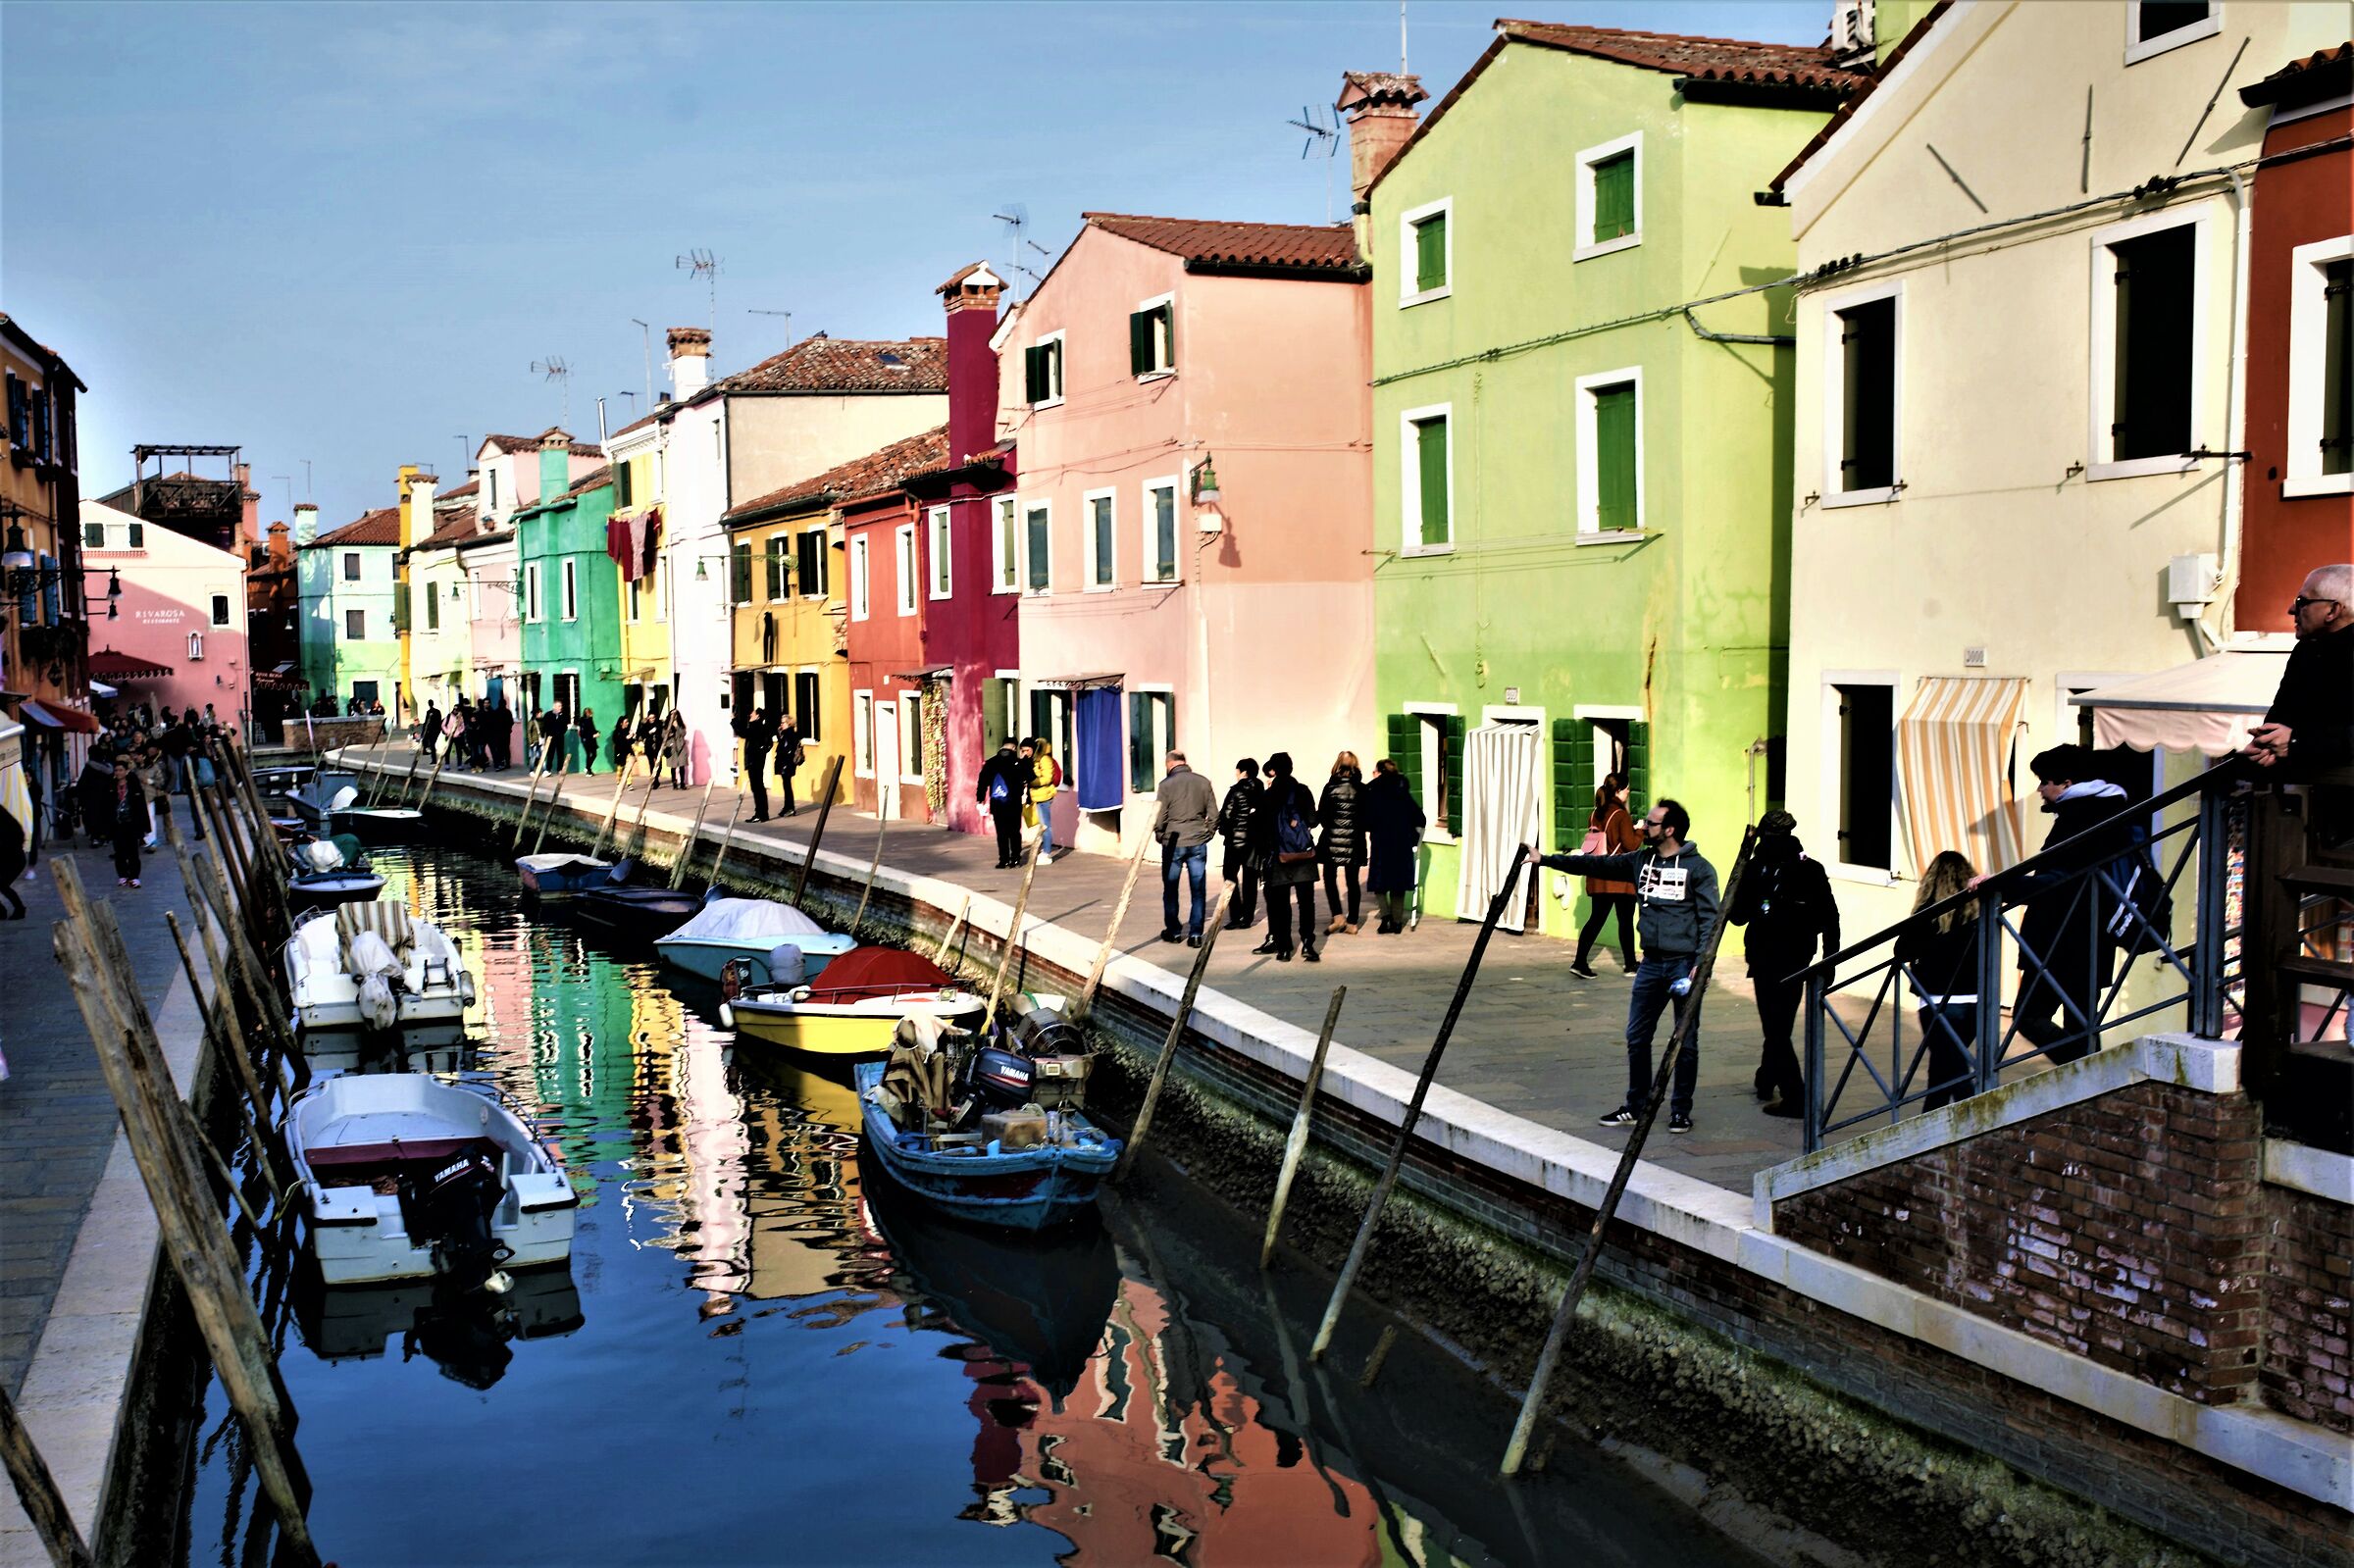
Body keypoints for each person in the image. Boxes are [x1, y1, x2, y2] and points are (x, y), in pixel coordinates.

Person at [1536, 797, 1721, 1135]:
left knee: (1685, 1041)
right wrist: (1545, 860)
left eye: (1650, 823)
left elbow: (1711, 920)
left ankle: (1680, 1110)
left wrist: (1701, 964)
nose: (1642, 826)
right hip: (1650, 963)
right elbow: (1596, 865)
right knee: (1637, 1037)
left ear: (1670, 829)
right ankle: (1636, 1106)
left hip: (1683, 965)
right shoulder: (1640, 860)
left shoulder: (1699, 869)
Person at [1985, 744, 2134, 1066]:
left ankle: (2085, 1070)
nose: (2039, 789)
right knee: (2081, 1024)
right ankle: (2086, 1076)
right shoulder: (2101, 812)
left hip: (2061, 941)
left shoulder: (2079, 819)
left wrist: (2001, 885)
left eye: (2044, 781)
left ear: (2066, 783)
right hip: (2088, 941)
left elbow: (2058, 882)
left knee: (2029, 1016)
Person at [1726, 810, 1841, 1119]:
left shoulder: (1809, 870)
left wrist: (1830, 960)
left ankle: (1796, 1097)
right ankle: (1766, 1077)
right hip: (1763, 958)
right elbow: (1737, 916)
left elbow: (1829, 917)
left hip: (1795, 959)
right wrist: (1746, 890)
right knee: (1777, 1026)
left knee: (1777, 1027)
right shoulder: (1754, 869)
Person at [1896, 851, 1983, 1112]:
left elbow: (1901, 950)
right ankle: (1927, 1125)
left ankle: (1978, 1117)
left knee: (1954, 1071)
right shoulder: (1978, 910)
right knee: (1941, 1071)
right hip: (1975, 1004)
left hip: (1937, 1003)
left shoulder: (1928, 912)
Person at [2246, 563, 2354, 770]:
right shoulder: (2305, 651)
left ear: (2332, 610)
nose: (2291, 609)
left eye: (2301, 601)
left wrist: (2296, 742)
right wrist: (2265, 743)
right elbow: (2281, 716)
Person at [1251, 753, 1322, 963]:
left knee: (1280, 905)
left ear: (1273, 770)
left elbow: (1259, 827)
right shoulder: (1303, 791)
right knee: (1306, 903)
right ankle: (1308, 944)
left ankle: (1284, 948)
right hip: (1303, 855)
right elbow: (1313, 820)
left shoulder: (1268, 796)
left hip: (1277, 856)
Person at [1570, 773, 1642, 979]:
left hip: (1599, 873)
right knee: (1625, 920)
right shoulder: (1620, 814)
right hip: (1619, 876)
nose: (1628, 792)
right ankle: (1630, 964)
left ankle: (1579, 961)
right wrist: (1640, 830)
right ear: (1619, 790)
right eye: (1627, 789)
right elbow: (1630, 845)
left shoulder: (1595, 813)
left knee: (1596, 919)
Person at [1151, 751, 1218, 946]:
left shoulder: (1166, 785)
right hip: (1197, 841)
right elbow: (1214, 814)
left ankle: (1174, 931)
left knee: (1171, 888)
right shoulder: (1203, 782)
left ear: (1169, 764)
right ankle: (1196, 934)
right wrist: (1208, 833)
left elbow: (1159, 817)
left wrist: (1160, 835)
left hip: (1173, 842)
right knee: (1198, 889)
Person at [1362, 757, 1425, 935]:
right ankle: (1397, 922)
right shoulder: (1402, 789)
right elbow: (1419, 818)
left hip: (1381, 843)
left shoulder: (1372, 790)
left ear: (1379, 772)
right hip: (1401, 843)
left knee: (1380, 884)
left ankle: (1386, 918)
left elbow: (1366, 820)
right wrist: (1414, 835)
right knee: (1398, 884)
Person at [1316, 751, 1367, 936]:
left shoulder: (1330, 787)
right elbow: (1367, 817)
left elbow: (1322, 815)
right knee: (1352, 881)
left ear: (1337, 765)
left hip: (1332, 840)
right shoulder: (1362, 789)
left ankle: (1337, 916)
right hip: (1354, 841)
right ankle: (1352, 922)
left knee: (1329, 877)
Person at [1215, 758, 1263, 930]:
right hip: (1255, 842)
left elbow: (1226, 815)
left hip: (1235, 842)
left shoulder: (1235, 791)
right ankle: (1247, 917)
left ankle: (1235, 915)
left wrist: (1223, 830)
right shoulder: (1261, 791)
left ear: (1243, 772)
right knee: (1250, 879)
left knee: (1230, 876)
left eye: (1237, 771)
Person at [977, 740, 1028, 867]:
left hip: (997, 803)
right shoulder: (1017, 763)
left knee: (1001, 833)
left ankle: (1003, 860)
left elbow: (982, 782)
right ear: (1014, 748)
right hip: (1014, 803)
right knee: (1014, 831)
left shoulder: (991, 763)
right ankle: (1015, 858)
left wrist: (980, 799)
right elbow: (1027, 778)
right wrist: (1025, 761)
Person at [108, 755, 146, 887]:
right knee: (119, 851)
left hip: (131, 822)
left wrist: (144, 825)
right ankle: (122, 875)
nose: (118, 773)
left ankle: (134, 876)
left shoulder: (134, 786)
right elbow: (106, 805)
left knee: (133, 851)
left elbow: (141, 806)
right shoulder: (111, 786)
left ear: (126, 771)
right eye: (116, 770)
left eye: (120, 770)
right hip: (117, 823)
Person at [736, 707, 776, 821]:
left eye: (752, 714)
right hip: (757, 761)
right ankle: (762, 813)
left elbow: (743, 733)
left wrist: (734, 721)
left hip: (754, 762)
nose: (750, 715)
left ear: (757, 716)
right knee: (759, 787)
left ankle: (760, 814)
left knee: (757, 788)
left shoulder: (756, 727)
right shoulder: (759, 727)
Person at [1029, 738, 1062, 863]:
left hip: (1044, 796)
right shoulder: (1036, 760)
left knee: (1045, 826)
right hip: (1038, 795)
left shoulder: (1044, 759)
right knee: (1043, 825)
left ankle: (1047, 853)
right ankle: (1045, 850)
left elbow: (1047, 778)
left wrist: (1033, 782)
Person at [774, 712, 801, 815]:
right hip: (784, 763)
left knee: (787, 786)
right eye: (781, 723)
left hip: (787, 764)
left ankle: (790, 807)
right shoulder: (785, 734)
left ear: (789, 723)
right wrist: (779, 733)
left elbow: (788, 750)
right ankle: (788, 806)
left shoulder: (790, 734)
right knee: (786, 785)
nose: (781, 725)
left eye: (783, 723)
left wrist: (785, 764)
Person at [536, 703, 568, 772]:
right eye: (559, 706)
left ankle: (559, 769)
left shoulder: (563, 715)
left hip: (560, 738)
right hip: (550, 738)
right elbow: (544, 726)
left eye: (561, 706)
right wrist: (543, 736)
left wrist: (561, 732)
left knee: (560, 754)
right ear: (554, 707)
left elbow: (565, 726)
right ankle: (548, 769)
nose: (560, 707)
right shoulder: (548, 715)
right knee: (550, 754)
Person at [664, 709, 690, 790]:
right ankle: (674, 782)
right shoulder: (666, 724)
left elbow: (683, 733)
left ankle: (682, 783)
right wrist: (668, 734)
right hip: (671, 747)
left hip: (681, 747)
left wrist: (677, 726)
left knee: (682, 765)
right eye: (672, 714)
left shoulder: (680, 724)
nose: (673, 716)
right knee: (673, 766)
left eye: (675, 714)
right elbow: (663, 735)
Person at [486, 701, 514, 771]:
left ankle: (501, 762)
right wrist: (508, 728)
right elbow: (511, 722)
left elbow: (493, 723)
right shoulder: (508, 712)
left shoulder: (496, 712)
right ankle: (507, 763)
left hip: (498, 733)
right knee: (506, 748)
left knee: (499, 748)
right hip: (506, 733)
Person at [576, 707, 600, 775]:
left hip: (592, 740)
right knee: (589, 754)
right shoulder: (582, 721)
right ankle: (588, 770)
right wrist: (593, 736)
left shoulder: (590, 719)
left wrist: (597, 732)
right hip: (586, 740)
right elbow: (583, 733)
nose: (591, 714)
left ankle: (588, 768)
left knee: (594, 754)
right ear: (587, 713)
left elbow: (592, 729)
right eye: (590, 713)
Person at [610, 713, 635, 777]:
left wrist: (633, 736)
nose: (627, 723)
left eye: (628, 722)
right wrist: (626, 738)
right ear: (621, 723)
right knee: (620, 770)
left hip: (628, 753)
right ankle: (620, 781)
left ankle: (629, 782)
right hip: (620, 753)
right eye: (626, 722)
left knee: (628, 770)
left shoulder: (628, 731)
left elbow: (632, 741)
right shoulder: (616, 732)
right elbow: (617, 742)